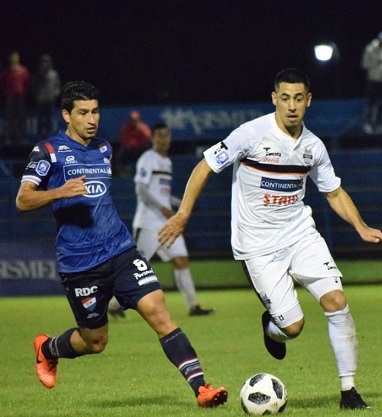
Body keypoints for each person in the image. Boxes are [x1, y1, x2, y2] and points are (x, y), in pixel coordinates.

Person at [158, 68, 382, 410]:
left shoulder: (313, 147)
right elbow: (204, 167)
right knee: (293, 327)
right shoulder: (250, 135)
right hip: (257, 247)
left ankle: (349, 391)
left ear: (308, 100)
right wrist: (182, 214)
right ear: (274, 99)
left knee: (336, 302)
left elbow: (333, 191)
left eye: (298, 98)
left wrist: (361, 225)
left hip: (300, 235)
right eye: (285, 98)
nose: (291, 106)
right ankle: (272, 327)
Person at [15, 81, 227, 408]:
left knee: (158, 311)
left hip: (120, 250)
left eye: (95, 112)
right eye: (83, 113)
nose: (92, 119)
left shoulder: (104, 149)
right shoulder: (48, 151)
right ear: (66, 115)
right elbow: (23, 199)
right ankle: (48, 348)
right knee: (95, 341)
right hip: (80, 263)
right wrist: (59, 192)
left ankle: (201, 389)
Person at [110, 122, 215, 318]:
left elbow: (162, 194)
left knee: (181, 260)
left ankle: (193, 306)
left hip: (166, 222)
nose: (163, 139)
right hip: (148, 222)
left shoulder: (166, 162)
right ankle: (114, 304)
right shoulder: (148, 158)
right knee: (136, 265)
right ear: (153, 139)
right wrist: (163, 208)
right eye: (159, 135)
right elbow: (141, 189)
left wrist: (180, 203)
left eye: (166, 135)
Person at [361, 31, 382, 134]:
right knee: (372, 102)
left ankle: (380, 124)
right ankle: (368, 124)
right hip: (373, 80)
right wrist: (377, 61)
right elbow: (364, 64)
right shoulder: (370, 49)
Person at [0, 51, 30, 145]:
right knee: (10, 117)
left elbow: (27, 82)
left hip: (20, 96)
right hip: (10, 96)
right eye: (12, 57)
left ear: (18, 58)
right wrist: (6, 92)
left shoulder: (23, 70)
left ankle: (22, 137)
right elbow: (3, 83)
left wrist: (24, 92)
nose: (14, 59)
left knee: (21, 117)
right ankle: (9, 137)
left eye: (15, 57)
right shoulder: (7, 72)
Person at [114, 110, 151, 176]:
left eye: (135, 120)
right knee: (120, 154)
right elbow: (123, 141)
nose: (133, 122)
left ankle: (147, 173)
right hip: (130, 150)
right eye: (132, 120)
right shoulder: (125, 128)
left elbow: (148, 138)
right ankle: (123, 173)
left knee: (149, 153)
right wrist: (131, 145)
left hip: (141, 149)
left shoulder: (143, 127)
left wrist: (140, 130)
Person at [32, 54, 61, 138]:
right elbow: (33, 86)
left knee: (49, 118)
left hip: (50, 100)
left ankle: (50, 135)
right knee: (40, 119)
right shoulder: (37, 74)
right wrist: (36, 95)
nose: (44, 63)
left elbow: (57, 85)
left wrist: (55, 94)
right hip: (40, 100)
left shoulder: (54, 74)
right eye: (43, 62)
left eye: (46, 62)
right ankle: (40, 135)